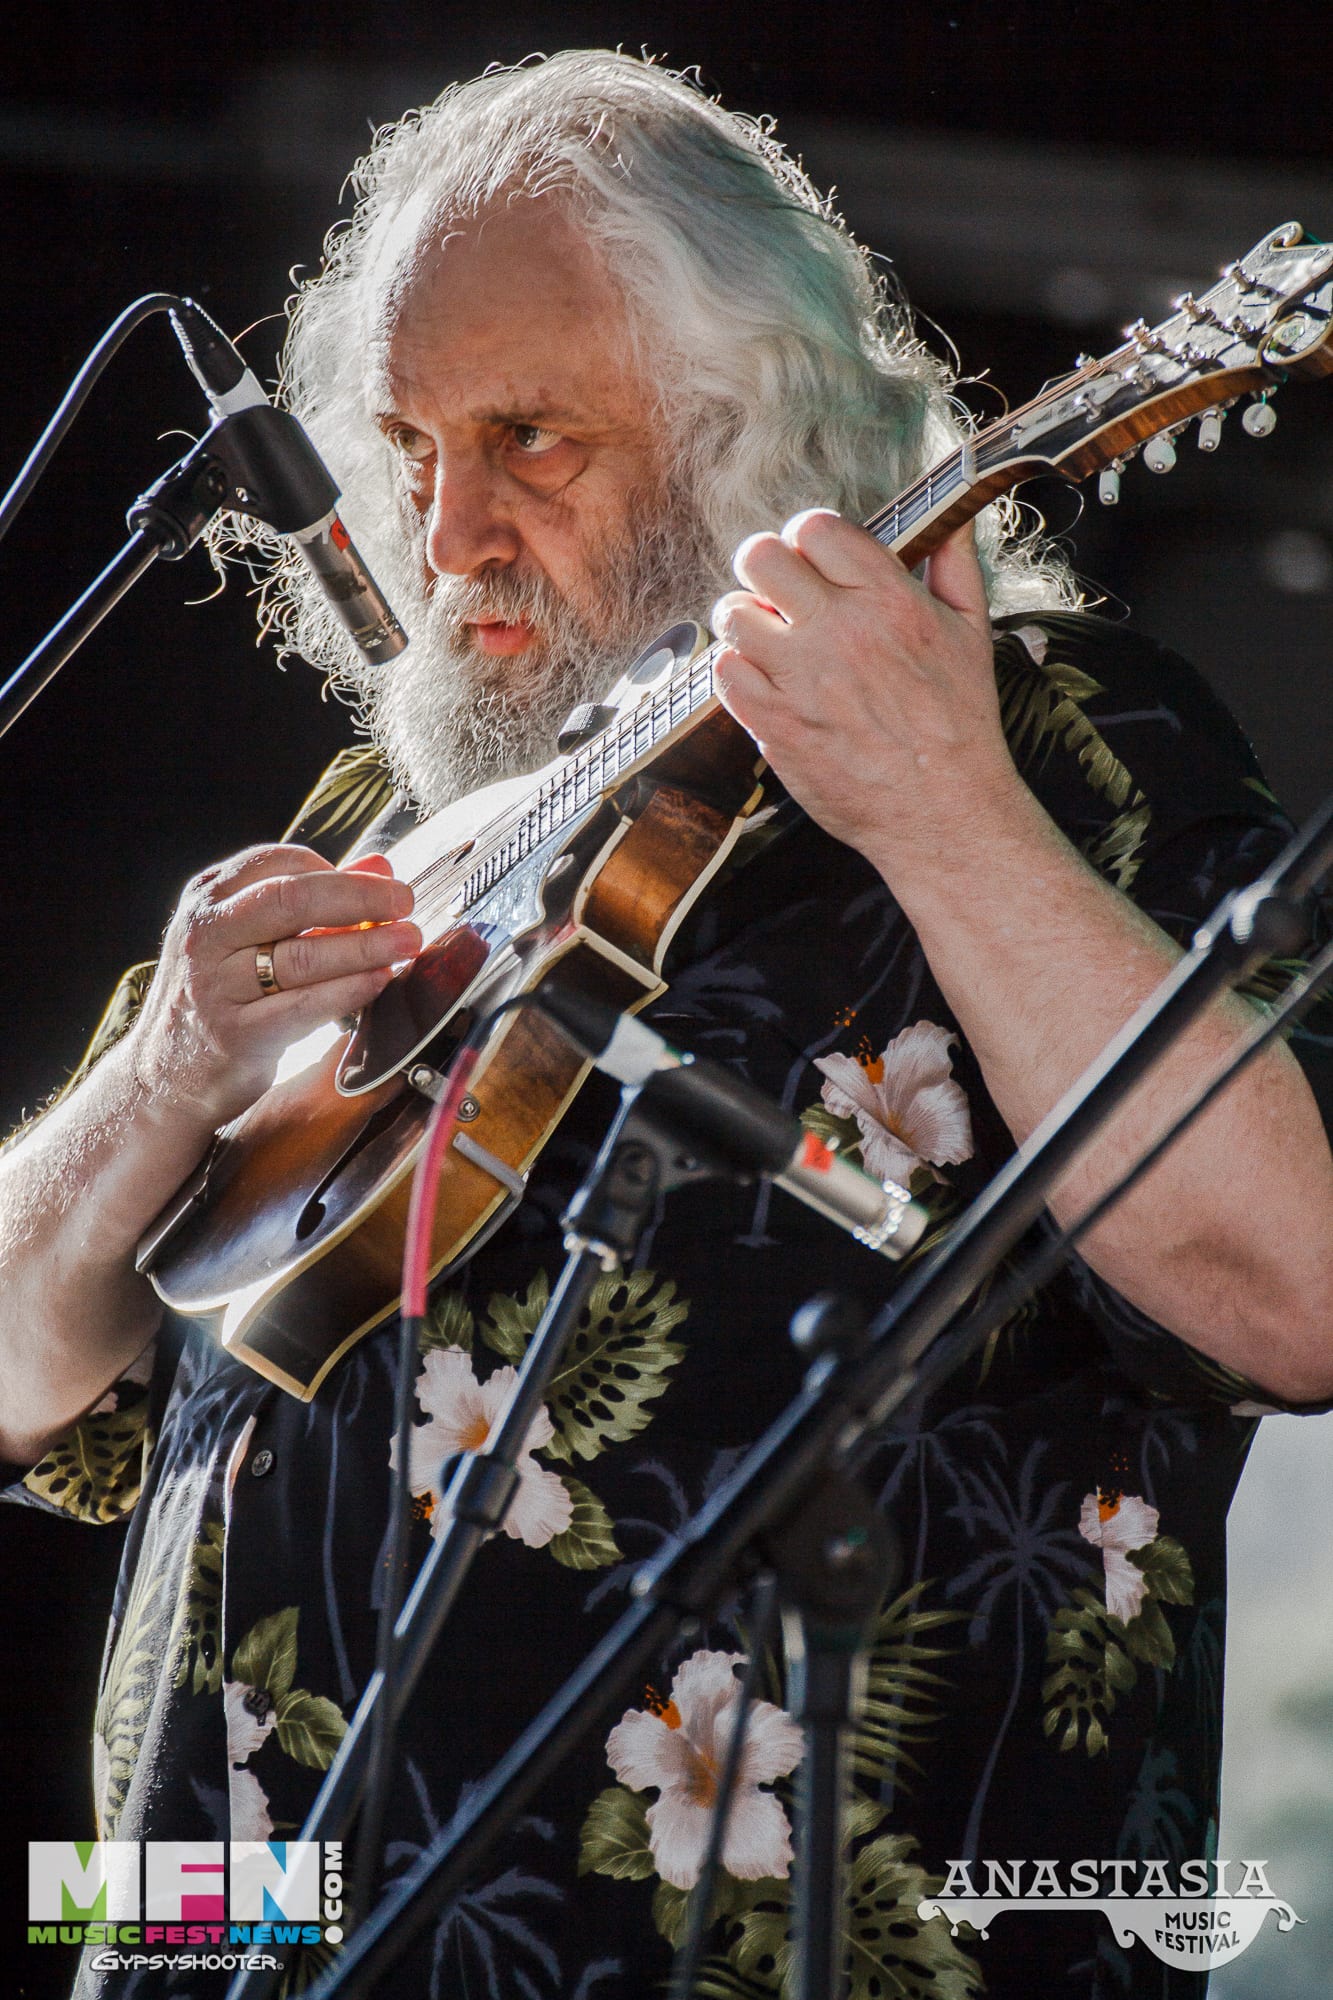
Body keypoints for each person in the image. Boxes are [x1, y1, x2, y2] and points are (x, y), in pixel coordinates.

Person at [3, 49, 1331, 2000]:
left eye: (529, 439)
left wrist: (940, 806)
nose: (444, 531)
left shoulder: (1045, 732)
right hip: (200, 1945)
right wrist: (153, 1079)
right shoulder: (367, 828)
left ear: (747, 438)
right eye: (409, 444)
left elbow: (1303, 1299)